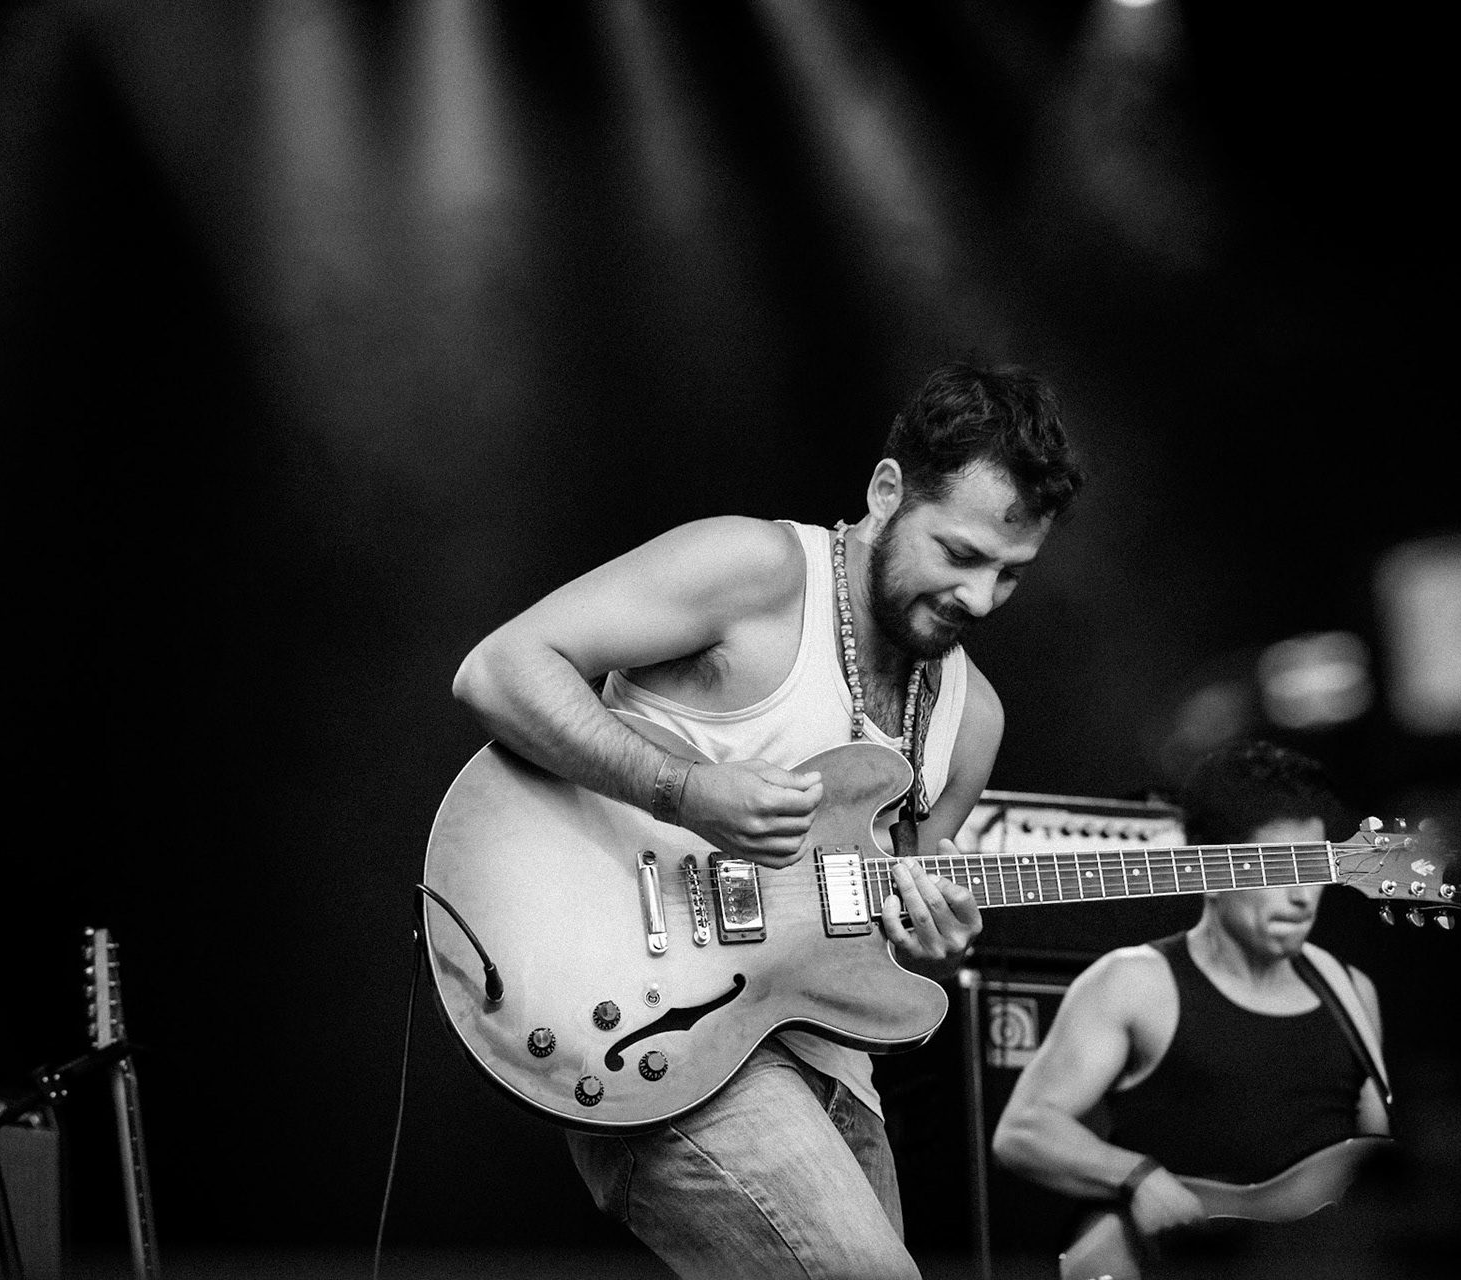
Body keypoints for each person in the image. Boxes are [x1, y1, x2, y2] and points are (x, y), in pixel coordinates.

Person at [451, 359, 1085, 1279]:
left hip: (831, 1069)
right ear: (886, 491)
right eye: (959, 553)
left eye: (1011, 575)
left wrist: (931, 935)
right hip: (654, 1027)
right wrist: (687, 791)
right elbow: (498, 669)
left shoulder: (971, 718)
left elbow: (894, 927)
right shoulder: (753, 569)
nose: (979, 599)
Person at [991, 740, 1390, 1272]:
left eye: (1314, 866)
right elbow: (1024, 1130)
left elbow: (1375, 1163)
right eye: (1277, 866)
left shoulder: (1350, 989)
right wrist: (1137, 1177)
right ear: (1207, 872)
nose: (1303, 896)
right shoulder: (1133, 982)